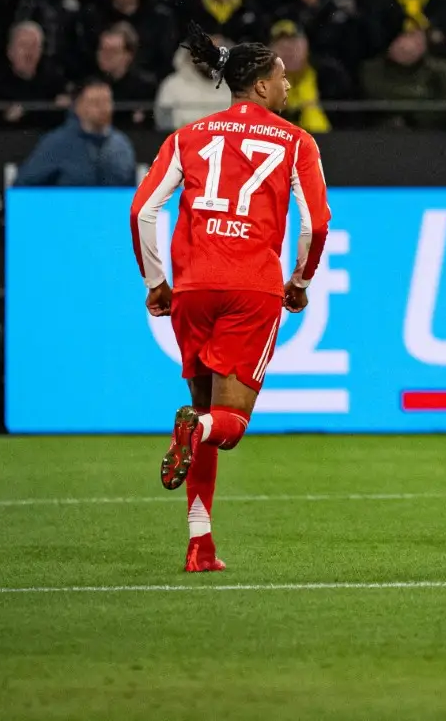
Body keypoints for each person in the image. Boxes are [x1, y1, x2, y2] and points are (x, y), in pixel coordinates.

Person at [132, 29, 332, 573]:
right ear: (261, 85)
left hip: (193, 287)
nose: (288, 85)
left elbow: (143, 211)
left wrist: (156, 282)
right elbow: (315, 223)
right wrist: (301, 281)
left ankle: (200, 545)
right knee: (227, 424)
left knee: (204, 409)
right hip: (250, 288)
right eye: (282, 77)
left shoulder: (187, 136)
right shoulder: (296, 141)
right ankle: (194, 431)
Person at [13, 80, 136, 187]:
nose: (103, 108)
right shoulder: (57, 143)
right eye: (95, 102)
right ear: (78, 107)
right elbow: (23, 185)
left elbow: (131, 192)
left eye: (107, 102)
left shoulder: (122, 145)